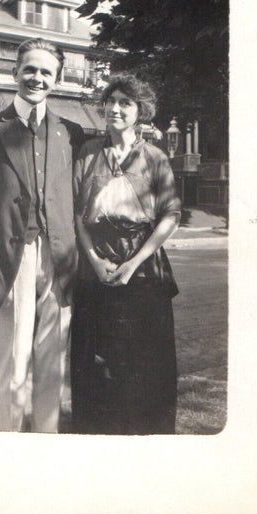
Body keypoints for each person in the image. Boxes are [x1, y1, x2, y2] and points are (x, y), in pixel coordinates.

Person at [0, 38, 84, 433]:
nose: (37, 77)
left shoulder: (71, 132)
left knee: (52, 365)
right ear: (14, 73)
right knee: (13, 366)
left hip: (59, 258)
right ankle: (9, 449)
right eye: (30, 69)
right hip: (11, 257)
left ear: (57, 79)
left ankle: (45, 447)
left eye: (46, 71)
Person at [71, 74, 180, 435]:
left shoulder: (155, 157)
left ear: (140, 111)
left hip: (144, 272)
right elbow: (76, 214)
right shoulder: (87, 153)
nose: (115, 109)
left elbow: (171, 216)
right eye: (111, 101)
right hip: (94, 271)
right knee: (95, 363)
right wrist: (94, 260)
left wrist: (134, 263)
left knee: (144, 364)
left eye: (125, 103)